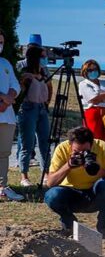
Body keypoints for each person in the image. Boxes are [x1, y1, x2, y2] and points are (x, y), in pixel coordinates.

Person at [44, 126, 105, 238]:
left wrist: (101, 171)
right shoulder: (62, 148)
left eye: (86, 152)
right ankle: (70, 225)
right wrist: (68, 165)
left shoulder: (103, 147)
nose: (81, 154)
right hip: (70, 194)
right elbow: (50, 183)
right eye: (76, 151)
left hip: (94, 194)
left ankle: (104, 229)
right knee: (52, 195)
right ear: (70, 145)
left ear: (92, 144)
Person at [16, 37, 52, 187]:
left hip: (42, 108)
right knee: (27, 143)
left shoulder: (44, 70)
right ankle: (24, 176)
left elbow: (49, 86)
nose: (45, 59)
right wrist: (28, 78)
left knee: (45, 142)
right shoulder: (23, 69)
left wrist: (47, 102)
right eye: (42, 56)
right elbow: (19, 88)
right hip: (27, 108)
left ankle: (47, 174)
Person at [0, 27, 23, 201]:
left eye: (1, 42)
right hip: (4, 106)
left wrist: (10, 97)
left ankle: (2, 186)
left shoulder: (5, 63)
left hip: (7, 117)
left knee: (4, 153)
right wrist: (4, 98)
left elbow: (16, 84)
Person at [77, 60, 105, 147]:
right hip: (93, 112)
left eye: (95, 69)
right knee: (94, 139)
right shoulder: (83, 84)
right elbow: (93, 99)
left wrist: (102, 96)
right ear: (85, 71)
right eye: (90, 70)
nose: (93, 72)